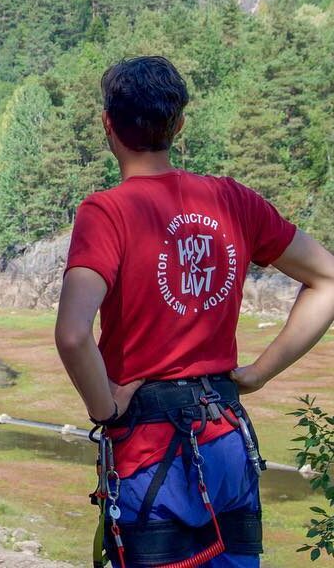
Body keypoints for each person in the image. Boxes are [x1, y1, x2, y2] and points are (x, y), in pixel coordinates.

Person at [56, 56, 334, 568]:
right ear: (179, 124)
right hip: (225, 439)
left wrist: (106, 410)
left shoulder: (107, 212)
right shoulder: (233, 200)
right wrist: (256, 375)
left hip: (148, 451)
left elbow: (73, 335)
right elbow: (328, 279)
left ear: (106, 124)